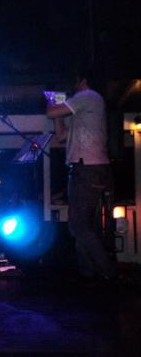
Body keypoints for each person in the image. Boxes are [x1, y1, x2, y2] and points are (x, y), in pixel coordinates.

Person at [46, 67, 115, 281]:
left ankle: (107, 272)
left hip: (88, 167)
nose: (72, 85)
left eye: (75, 80)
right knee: (81, 224)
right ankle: (88, 272)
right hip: (84, 167)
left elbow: (51, 112)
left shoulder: (89, 96)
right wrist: (58, 113)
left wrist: (51, 101)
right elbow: (61, 136)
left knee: (79, 225)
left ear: (83, 81)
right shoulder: (81, 112)